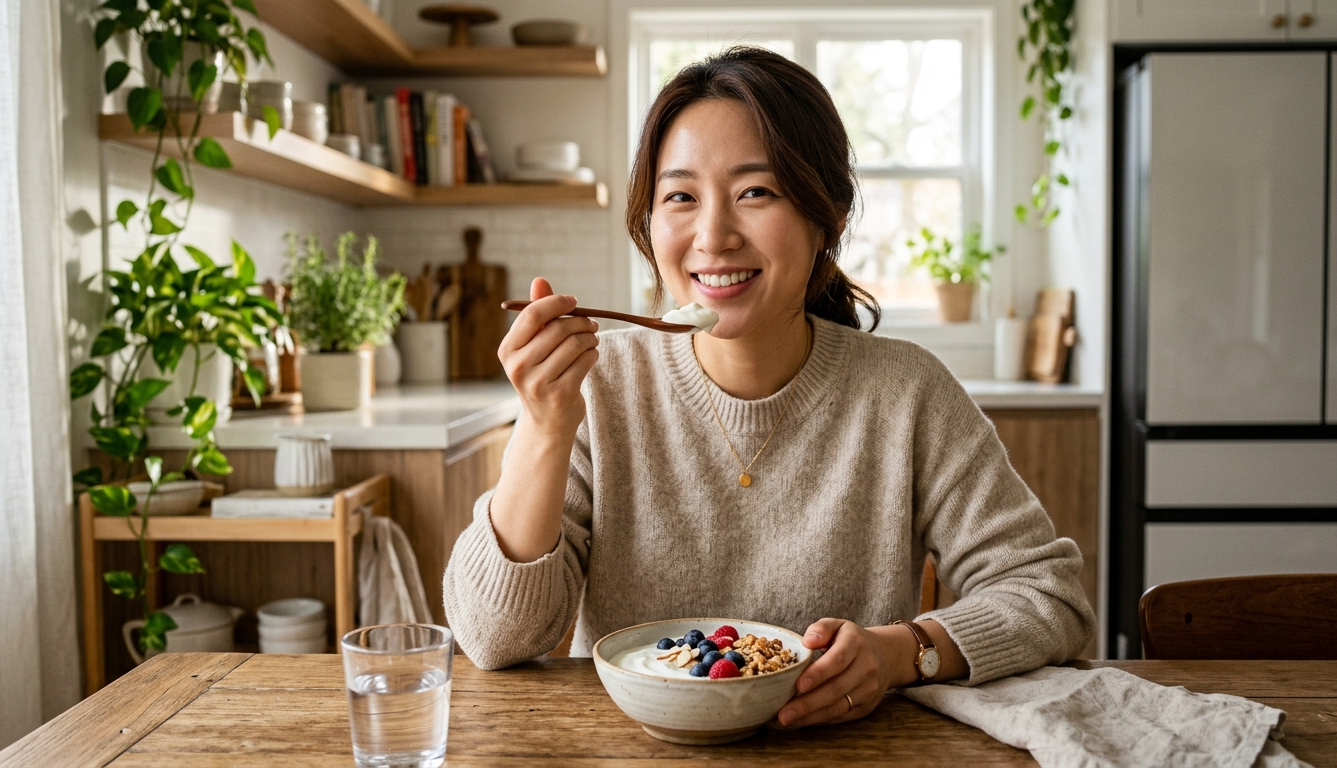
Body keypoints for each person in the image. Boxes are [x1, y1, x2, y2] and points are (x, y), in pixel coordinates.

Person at [444, 46, 1093, 729]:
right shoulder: (598, 386)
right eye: (681, 197)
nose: (714, 235)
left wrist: (903, 653)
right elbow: (494, 639)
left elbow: (1050, 595)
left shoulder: (907, 391)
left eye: (756, 192)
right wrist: (544, 427)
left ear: (827, 215)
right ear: (649, 224)